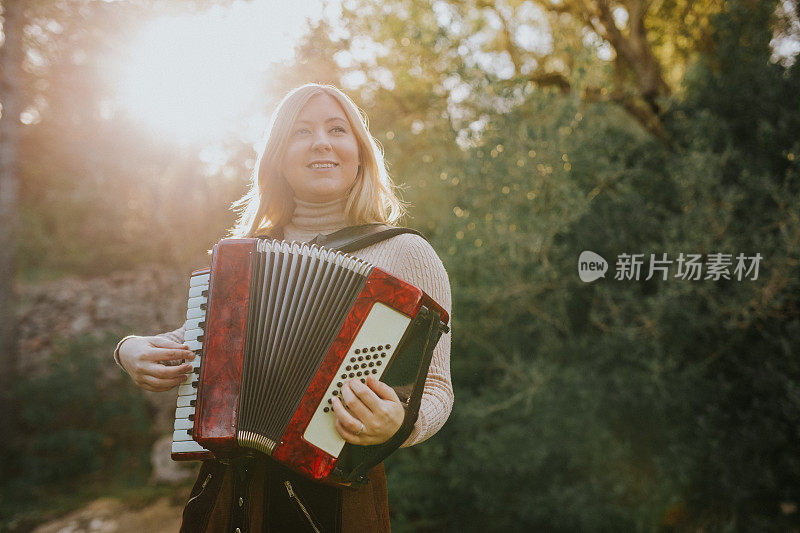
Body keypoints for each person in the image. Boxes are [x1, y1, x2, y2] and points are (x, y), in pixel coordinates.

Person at [114, 83, 452, 532]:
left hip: (334, 498)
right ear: (278, 156)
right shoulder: (242, 258)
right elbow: (193, 343)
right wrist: (130, 350)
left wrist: (399, 424)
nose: (321, 142)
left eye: (337, 129)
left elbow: (437, 389)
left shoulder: (406, 254)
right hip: (228, 489)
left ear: (359, 152)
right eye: (301, 131)